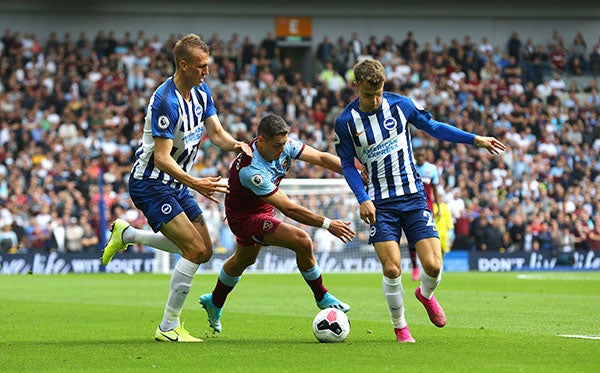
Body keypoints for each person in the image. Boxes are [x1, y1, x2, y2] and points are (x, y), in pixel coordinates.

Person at [333, 59, 506, 343]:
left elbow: (434, 127)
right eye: (367, 95)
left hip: (413, 197)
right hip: (380, 203)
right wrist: (362, 198)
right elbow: (348, 165)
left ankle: (425, 295)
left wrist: (475, 139)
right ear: (355, 88)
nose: (374, 100)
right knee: (392, 268)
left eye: (378, 93)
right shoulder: (345, 122)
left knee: (434, 266)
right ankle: (401, 328)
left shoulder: (401, 105)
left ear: (384, 85)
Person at [101, 34, 252, 342]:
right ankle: (168, 326)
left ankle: (128, 235)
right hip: (152, 184)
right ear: (183, 65)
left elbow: (217, 132)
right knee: (194, 250)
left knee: (204, 250)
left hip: (176, 183)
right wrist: (195, 182)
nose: (207, 72)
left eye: (207, 65)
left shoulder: (201, 91)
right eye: (201, 66)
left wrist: (236, 145)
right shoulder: (166, 101)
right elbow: (161, 157)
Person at [198, 114, 356, 333]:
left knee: (244, 260)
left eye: (284, 144)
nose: (282, 150)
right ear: (261, 141)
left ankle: (214, 301)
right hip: (244, 218)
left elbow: (320, 158)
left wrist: (354, 171)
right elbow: (289, 208)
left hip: (261, 209)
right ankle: (322, 296)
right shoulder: (251, 169)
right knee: (302, 240)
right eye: (277, 145)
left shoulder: (285, 145)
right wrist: (329, 224)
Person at [407, 147, 440, 281]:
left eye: (422, 155)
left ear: (425, 156)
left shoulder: (432, 169)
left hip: (428, 207)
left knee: (428, 236)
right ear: (414, 155)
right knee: (412, 239)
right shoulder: (410, 168)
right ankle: (415, 266)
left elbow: (435, 189)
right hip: (412, 206)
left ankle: (428, 266)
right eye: (418, 155)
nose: (420, 157)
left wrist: (438, 207)